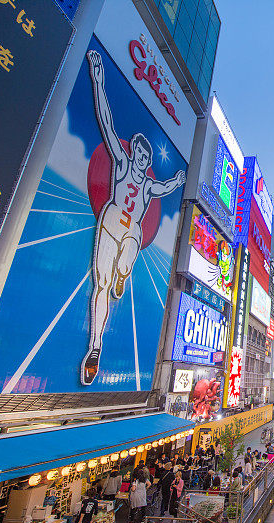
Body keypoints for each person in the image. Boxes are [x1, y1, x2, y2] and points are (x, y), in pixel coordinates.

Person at [80, 50, 186, 385]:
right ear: (133, 153)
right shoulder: (123, 166)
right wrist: (98, 78)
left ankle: (125, 271)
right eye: (138, 153)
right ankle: (95, 347)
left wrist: (180, 181)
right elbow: (107, 123)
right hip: (111, 222)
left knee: (133, 238)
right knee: (101, 284)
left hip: (130, 233)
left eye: (145, 156)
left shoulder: (150, 184)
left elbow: (167, 186)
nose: (141, 159)